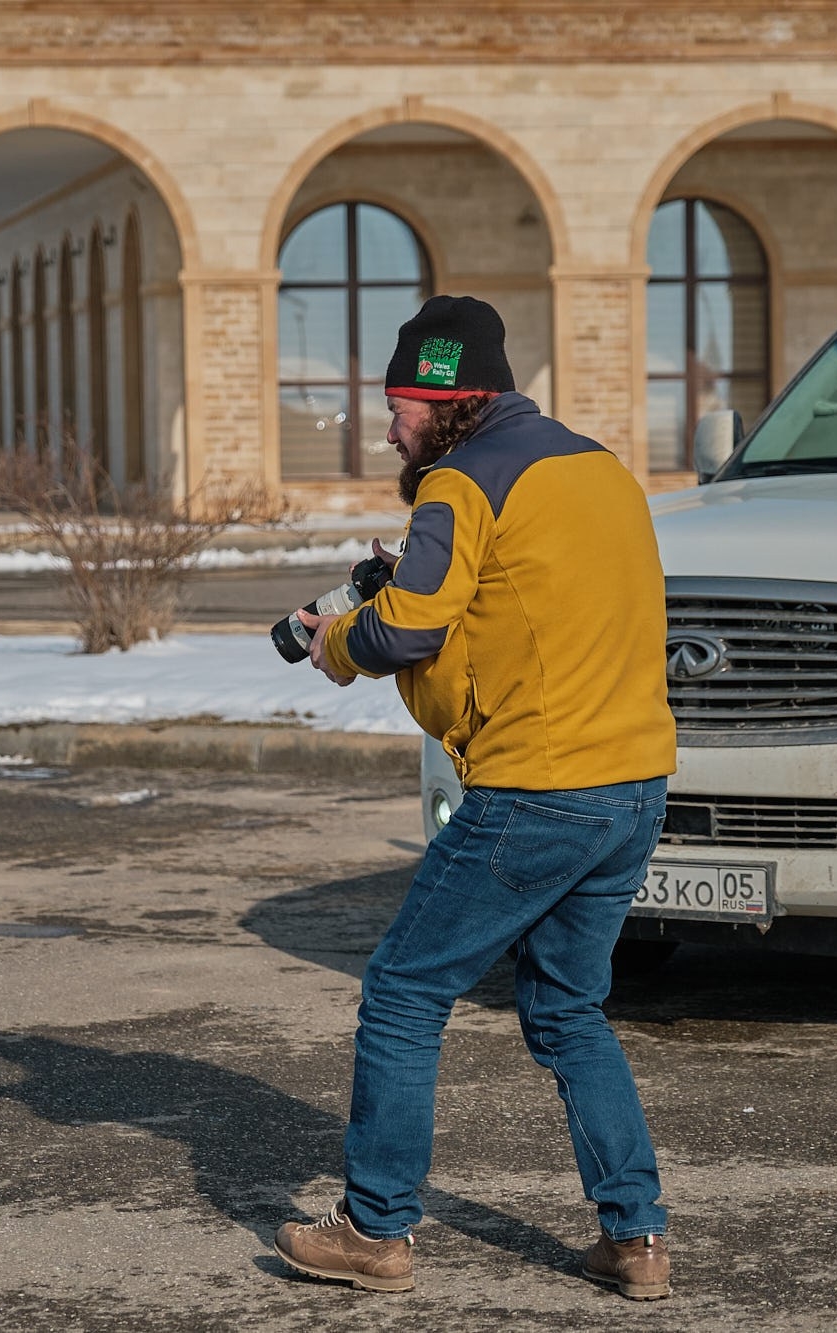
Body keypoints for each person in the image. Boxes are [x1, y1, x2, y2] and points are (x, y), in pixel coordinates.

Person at [272, 295, 678, 1299]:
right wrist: (399, 582)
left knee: (405, 990)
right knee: (566, 1007)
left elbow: (407, 631)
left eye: (399, 405)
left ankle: (372, 1228)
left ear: (450, 399)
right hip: (633, 783)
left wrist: (335, 641)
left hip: (538, 786)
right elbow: (514, 602)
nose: (387, 427)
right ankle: (636, 1240)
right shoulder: (597, 469)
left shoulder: (456, 481)